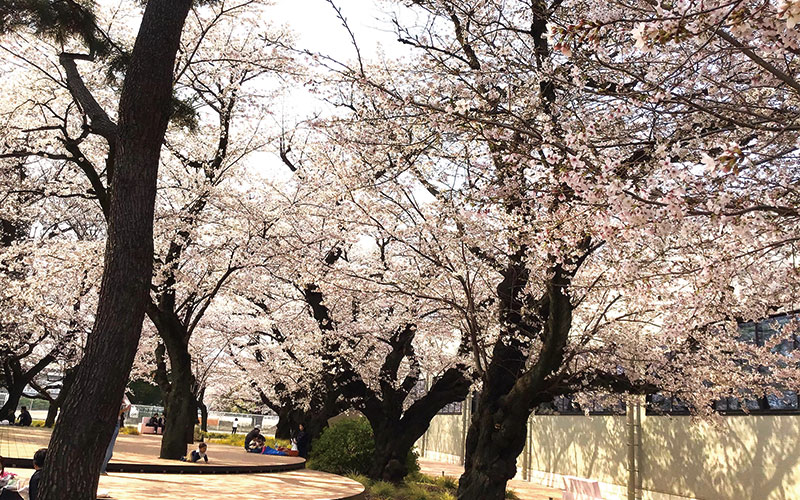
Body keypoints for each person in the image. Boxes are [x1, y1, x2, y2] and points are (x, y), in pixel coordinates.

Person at [101, 394, 131, 475]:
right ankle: (101, 469)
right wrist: (120, 411)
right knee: (109, 450)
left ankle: (101, 469)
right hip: (114, 421)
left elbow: (128, 405)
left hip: (104, 420)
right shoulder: (121, 394)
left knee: (107, 449)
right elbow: (129, 405)